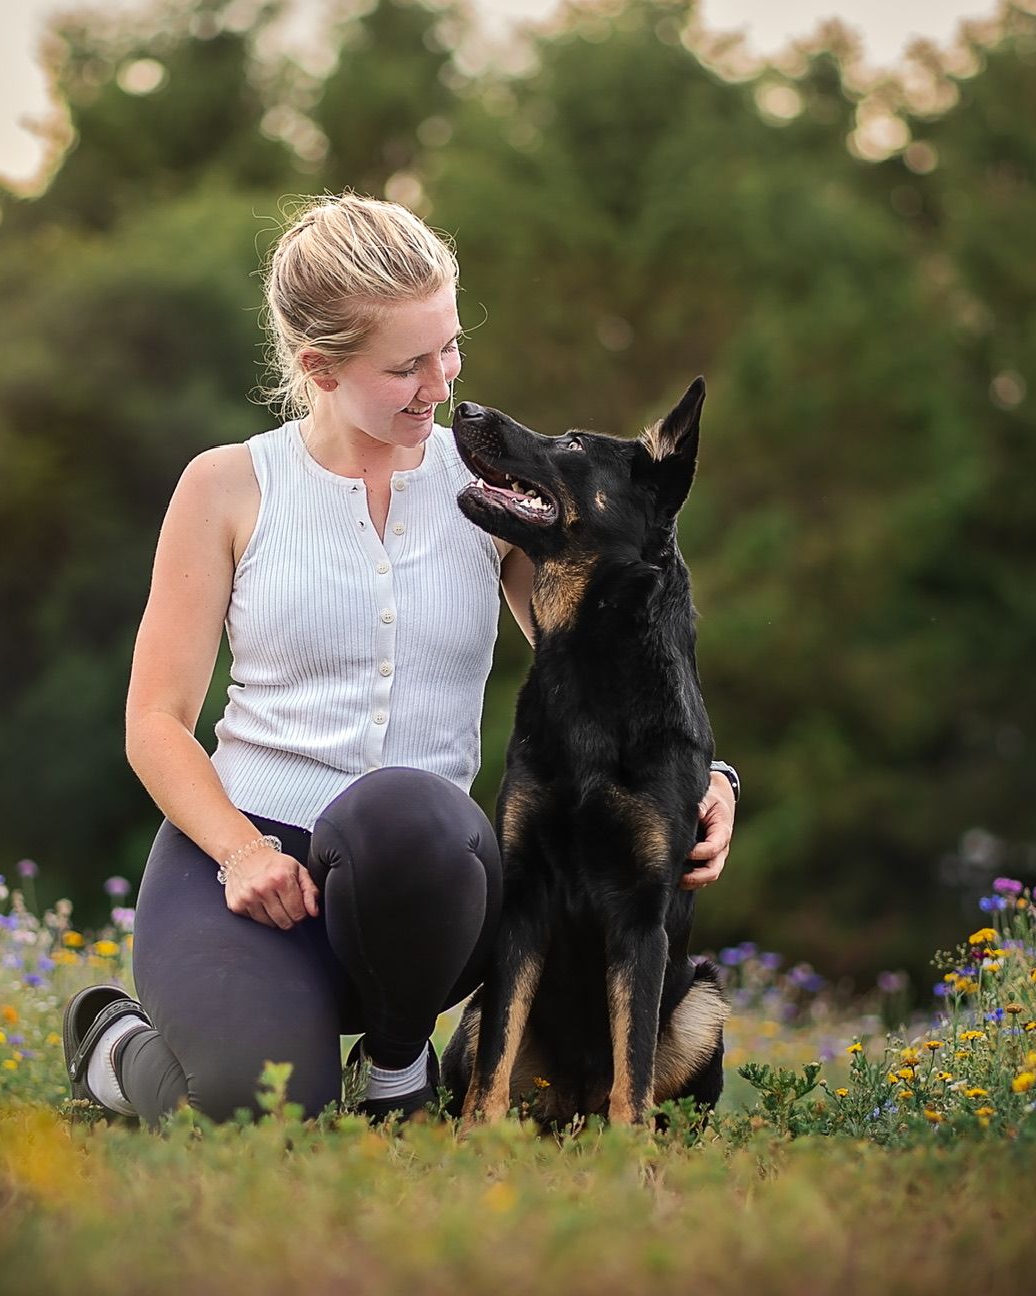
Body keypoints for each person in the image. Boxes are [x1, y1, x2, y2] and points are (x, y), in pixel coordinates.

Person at [62, 192, 740, 1125]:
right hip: (244, 860)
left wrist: (709, 776)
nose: (442, 383)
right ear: (319, 367)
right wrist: (240, 852)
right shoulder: (225, 487)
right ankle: (117, 1048)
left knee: (403, 807)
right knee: (246, 1114)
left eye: (449, 347)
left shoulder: (493, 489)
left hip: (426, 884)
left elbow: (619, 663)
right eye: (406, 366)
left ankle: (397, 1068)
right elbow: (153, 723)